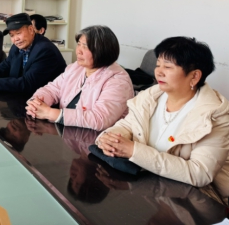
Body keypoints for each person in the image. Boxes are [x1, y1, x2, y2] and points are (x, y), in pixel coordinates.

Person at [97, 36, 229, 201]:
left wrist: (134, 151)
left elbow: (200, 173)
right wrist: (111, 139)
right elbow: (126, 125)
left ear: (194, 76)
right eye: (158, 64)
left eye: (167, 66)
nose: (158, 71)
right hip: (148, 190)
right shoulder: (150, 96)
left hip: (194, 200)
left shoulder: (215, 115)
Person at [26, 25, 133, 131]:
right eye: (79, 44)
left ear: (103, 50)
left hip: (99, 138)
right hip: (68, 132)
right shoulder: (77, 67)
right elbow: (53, 89)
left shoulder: (118, 80)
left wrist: (50, 113)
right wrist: (36, 103)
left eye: (85, 46)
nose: (78, 51)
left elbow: (100, 119)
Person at [0, 13, 66, 95]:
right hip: (24, 98)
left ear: (31, 30)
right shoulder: (17, 47)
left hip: (47, 103)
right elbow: (5, 66)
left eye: (18, 33)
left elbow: (28, 83)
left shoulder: (45, 50)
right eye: (12, 35)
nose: (15, 39)